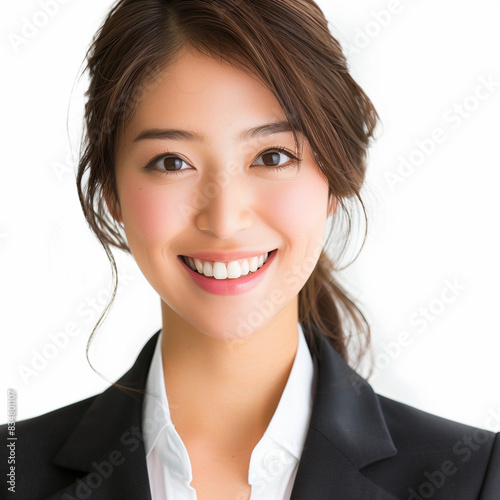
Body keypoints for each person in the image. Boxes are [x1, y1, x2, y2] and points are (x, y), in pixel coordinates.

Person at [2, 1, 498, 499]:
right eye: (172, 162)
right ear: (111, 189)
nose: (223, 220)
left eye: (272, 156)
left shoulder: (475, 477)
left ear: (337, 179)